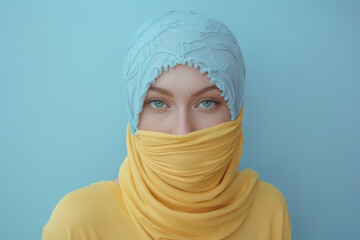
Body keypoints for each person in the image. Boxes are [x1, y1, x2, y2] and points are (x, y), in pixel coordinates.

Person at [42, 10, 291, 240]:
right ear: (134, 113)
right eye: (159, 103)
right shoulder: (78, 223)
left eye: (206, 103)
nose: (183, 131)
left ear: (236, 110)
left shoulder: (269, 209)